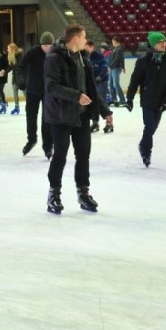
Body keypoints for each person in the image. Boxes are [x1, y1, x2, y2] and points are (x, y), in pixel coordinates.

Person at [43, 25, 112, 214]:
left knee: (83, 156)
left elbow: (89, 88)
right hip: (60, 116)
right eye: (83, 37)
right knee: (60, 156)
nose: (86, 40)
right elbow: (52, 87)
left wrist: (105, 111)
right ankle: (53, 194)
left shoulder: (83, 56)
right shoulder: (54, 58)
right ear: (74, 39)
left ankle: (83, 192)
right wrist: (76, 96)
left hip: (81, 115)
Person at [125, 31, 166, 168]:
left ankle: (142, 145)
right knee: (149, 127)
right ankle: (146, 153)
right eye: (160, 42)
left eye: (164, 42)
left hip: (161, 100)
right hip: (148, 99)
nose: (163, 44)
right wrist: (130, 98)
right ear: (153, 44)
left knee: (152, 128)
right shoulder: (143, 61)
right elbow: (135, 80)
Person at [17, 32, 55, 157]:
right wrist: (21, 81)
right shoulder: (33, 52)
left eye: (49, 46)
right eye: (44, 46)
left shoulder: (56, 53)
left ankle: (48, 145)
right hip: (33, 90)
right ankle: (31, 140)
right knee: (31, 116)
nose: (46, 48)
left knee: (47, 119)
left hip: (48, 91)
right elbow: (20, 66)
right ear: (40, 45)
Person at [85, 39, 110, 132]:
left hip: (101, 81)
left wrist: (100, 76)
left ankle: (109, 123)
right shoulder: (85, 56)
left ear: (92, 47)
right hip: (92, 83)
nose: (85, 50)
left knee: (102, 103)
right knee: (92, 103)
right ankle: (95, 122)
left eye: (87, 48)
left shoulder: (98, 56)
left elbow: (105, 67)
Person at [107, 36, 127, 107]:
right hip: (113, 68)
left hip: (116, 68)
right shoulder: (116, 49)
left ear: (115, 41)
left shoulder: (120, 49)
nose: (112, 43)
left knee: (116, 84)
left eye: (113, 42)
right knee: (111, 85)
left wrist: (110, 67)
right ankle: (114, 100)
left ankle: (123, 100)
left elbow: (117, 59)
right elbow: (121, 58)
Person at [6, 42, 23, 115]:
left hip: (21, 78)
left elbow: (20, 68)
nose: (7, 50)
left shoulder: (19, 56)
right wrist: (4, 71)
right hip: (15, 78)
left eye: (9, 48)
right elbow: (11, 67)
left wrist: (22, 78)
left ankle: (30, 105)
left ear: (12, 49)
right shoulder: (11, 56)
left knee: (25, 93)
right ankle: (17, 107)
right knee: (15, 93)